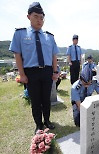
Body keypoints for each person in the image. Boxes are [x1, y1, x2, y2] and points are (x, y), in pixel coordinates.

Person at [9, 2, 59, 134]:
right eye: (36, 16)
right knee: (36, 101)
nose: (39, 20)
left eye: (42, 17)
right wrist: (22, 74)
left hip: (47, 71)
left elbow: (54, 56)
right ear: (28, 16)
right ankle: (38, 124)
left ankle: (47, 120)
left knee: (46, 99)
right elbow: (17, 55)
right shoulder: (20, 34)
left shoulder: (49, 36)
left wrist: (55, 71)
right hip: (31, 72)